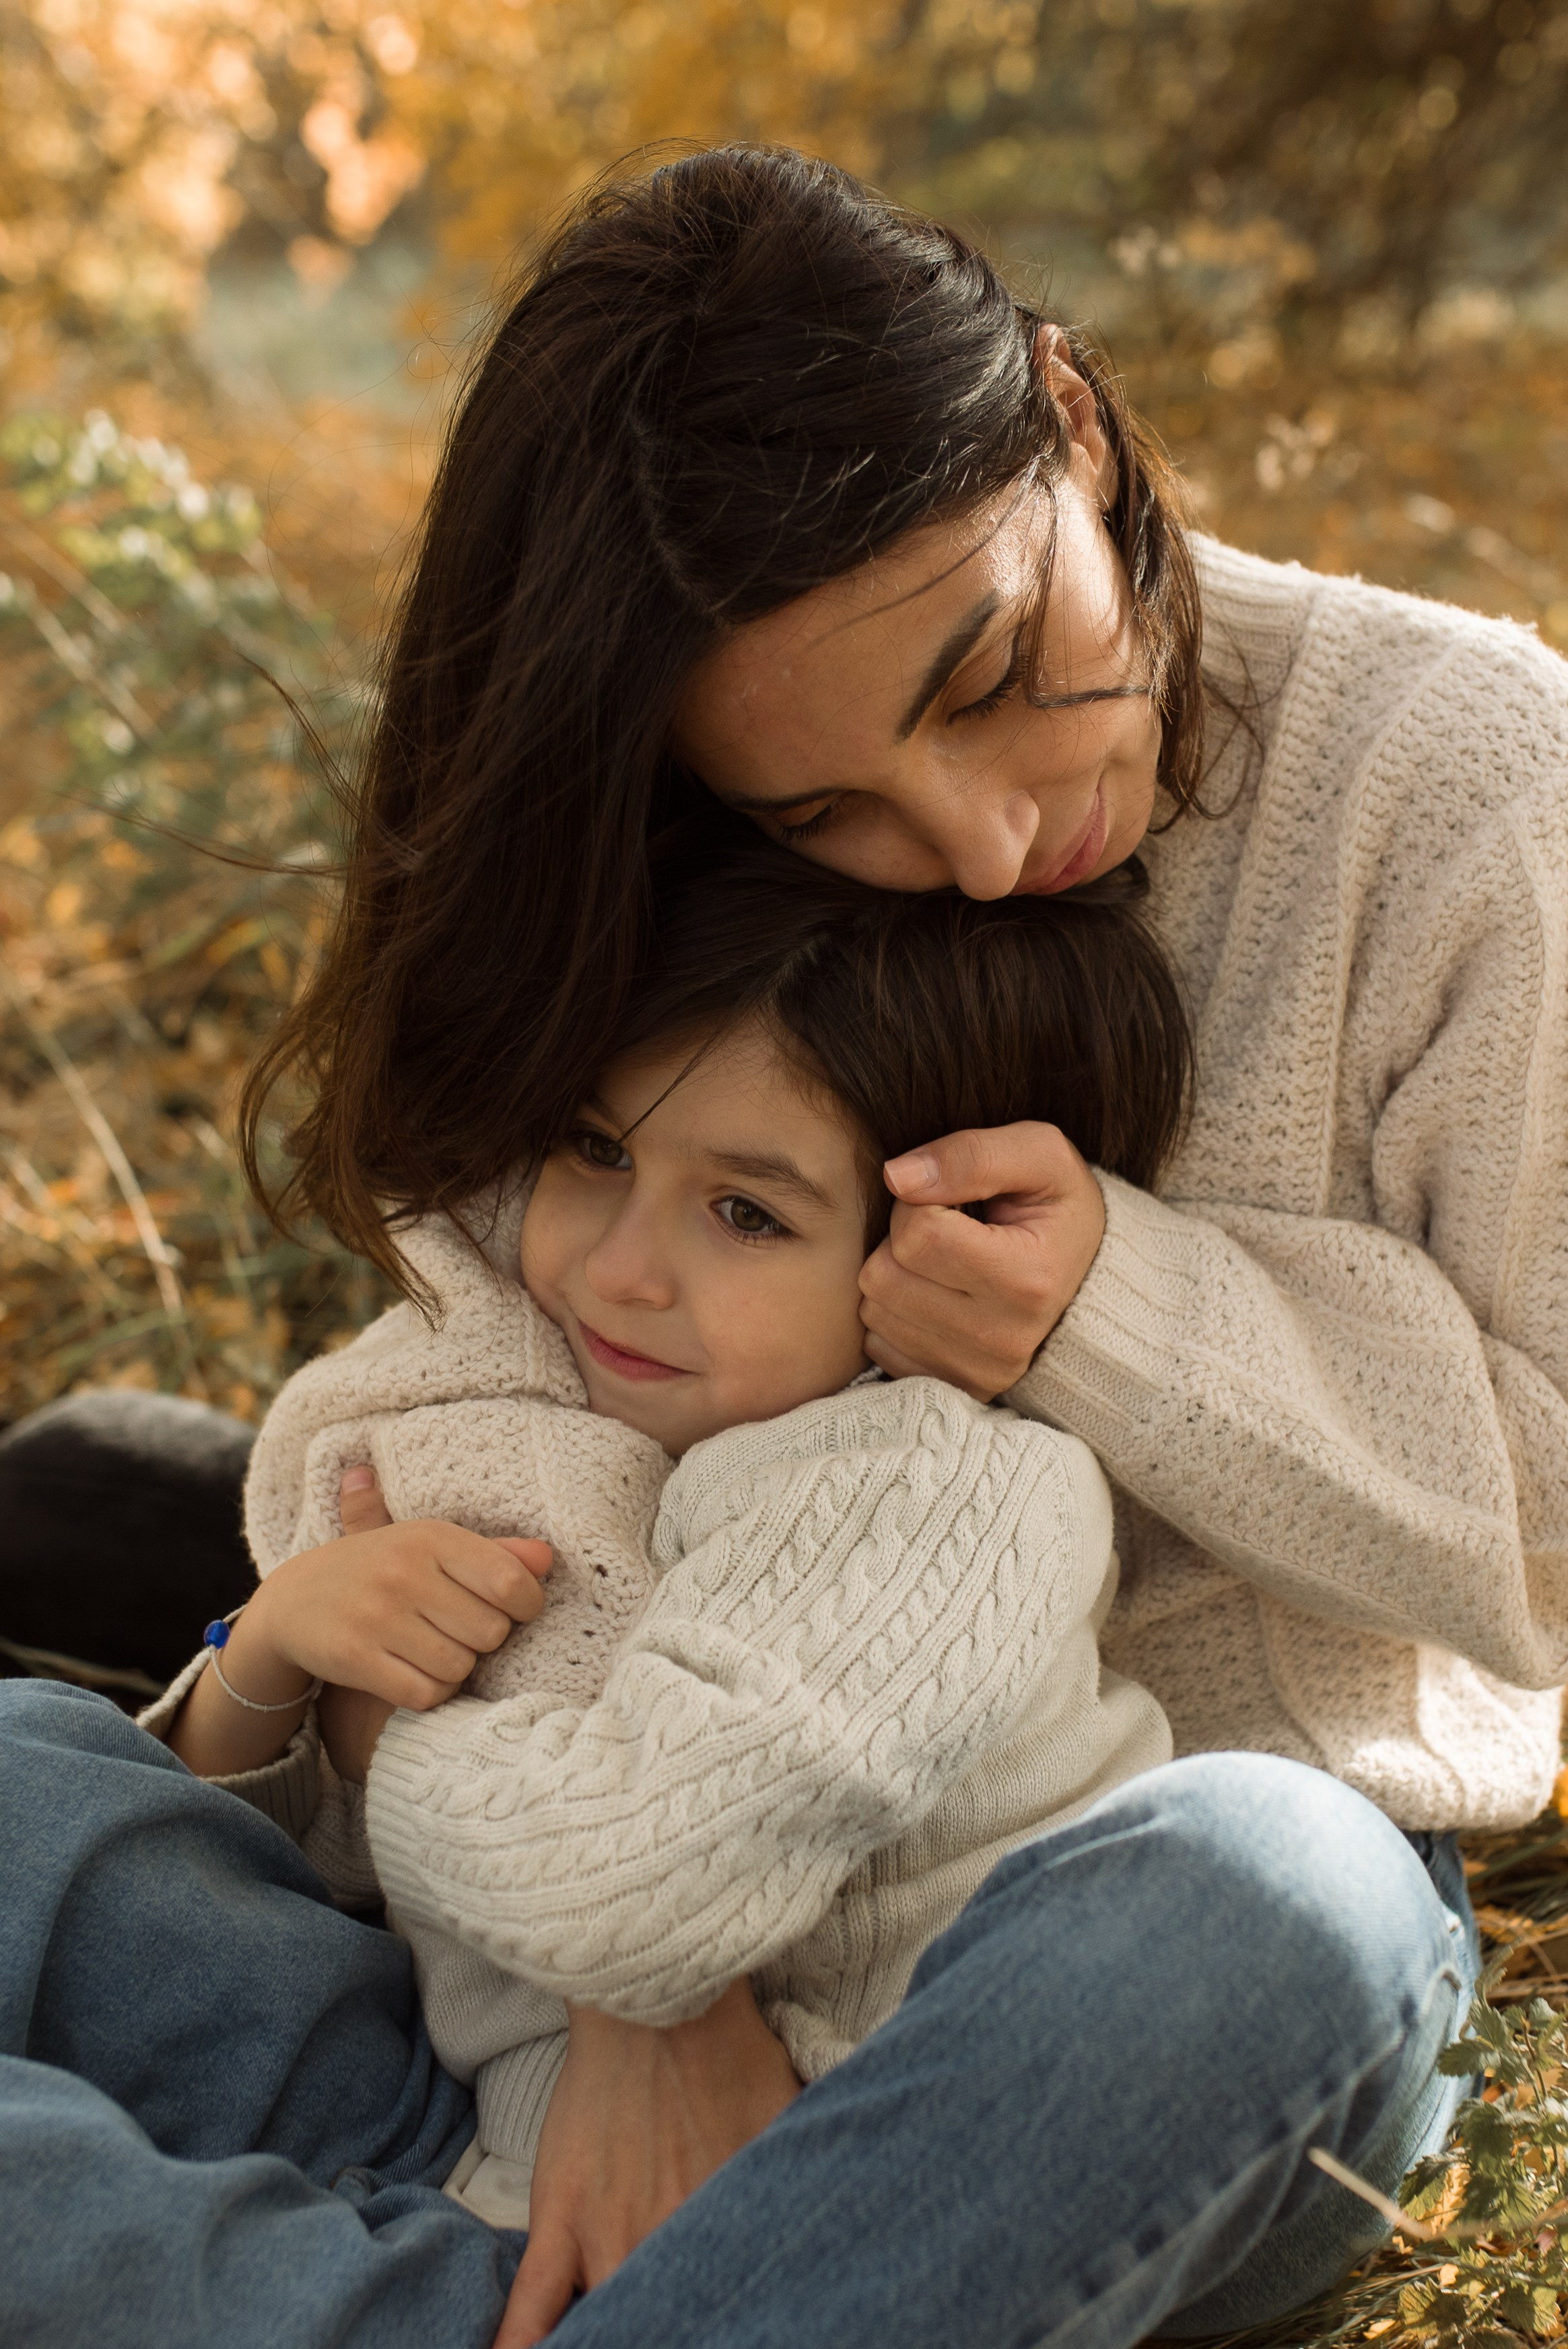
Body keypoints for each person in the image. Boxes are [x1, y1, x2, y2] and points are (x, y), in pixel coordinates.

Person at [2, 142, 1562, 2347]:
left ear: (1072, 421)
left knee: (1267, 1910)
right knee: (47, 1664)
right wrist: (658, 1962)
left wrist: (1122, 1310)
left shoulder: (1463, 778)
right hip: (614, 1780)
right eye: (822, 817)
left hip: (1083, 1916)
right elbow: (518, 1338)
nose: (989, 845)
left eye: (997, 668)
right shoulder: (662, 796)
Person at [145, 842, 1183, 2232]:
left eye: (747, 1213)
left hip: (741, 2196)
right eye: (596, 1146)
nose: (621, 1267)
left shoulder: (946, 1491)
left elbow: (635, 1891)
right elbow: (287, 1872)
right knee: (36, 1763)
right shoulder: (517, 1405)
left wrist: (379, 1729)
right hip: (448, 2124)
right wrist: (274, 1648)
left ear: (937, 1253)